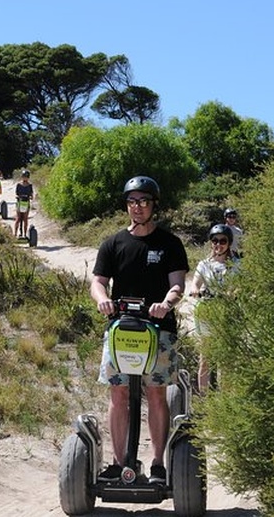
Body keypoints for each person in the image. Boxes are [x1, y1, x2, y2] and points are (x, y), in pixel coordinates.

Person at [90, 175, 188, 484]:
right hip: (121, 330)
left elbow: (177, 284)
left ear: (154, 205)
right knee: (118, 395)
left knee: (156, 394)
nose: (138, 207)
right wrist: (103, 300)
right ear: (127, 205)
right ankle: (120, 463)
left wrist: (166, 303)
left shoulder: (170, 243)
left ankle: (158, 464)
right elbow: (98, 282)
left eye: (144, 201)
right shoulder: (114, 243)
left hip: (159, 331)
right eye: (132, 201)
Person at [187, 224, 240, 393]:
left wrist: (234, 292)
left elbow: (241, 284)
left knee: (225, 358)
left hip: (227, 312)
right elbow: (196, 282)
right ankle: (204, 399)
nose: (218, 244)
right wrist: (195, 289)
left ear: (229, 243)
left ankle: (224, 399)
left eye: (222, 241)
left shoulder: (237, 264)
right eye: (215, 241)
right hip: (207, 311)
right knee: (206, 356)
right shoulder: (205, 264)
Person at [14, 169, 34, 238]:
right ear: (22, 177)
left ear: (28, 177)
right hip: (20, 202)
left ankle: (25, 234)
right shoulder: (19, 185)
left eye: (26, 176)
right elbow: (16, 194)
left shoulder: (30, 185)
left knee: (25, 219)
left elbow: (31, 194)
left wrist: (30, 197)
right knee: (18, 218)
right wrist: (18, 197)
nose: (25, 178)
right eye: (23, 176)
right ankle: (15, 234)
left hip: (26, 203)